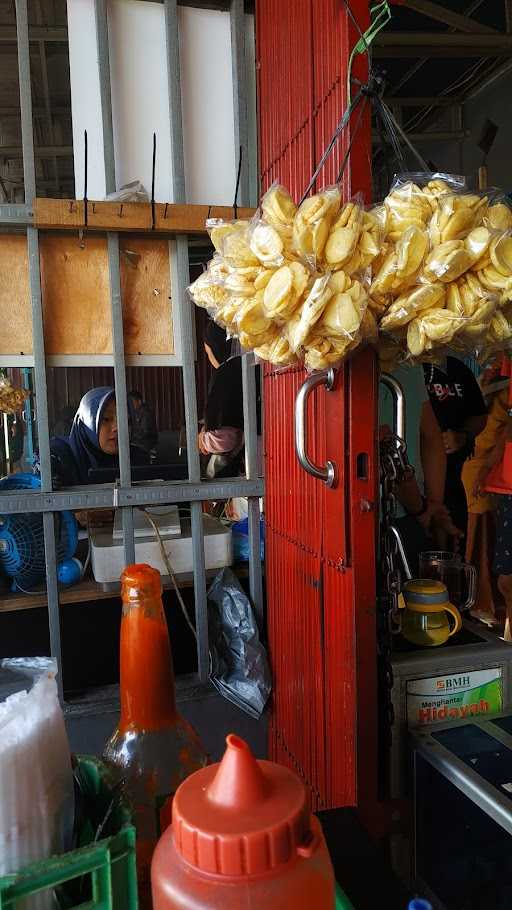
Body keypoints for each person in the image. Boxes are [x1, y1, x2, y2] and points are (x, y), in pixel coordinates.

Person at [380, 363, 460, 576]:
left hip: (402, 514)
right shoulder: (404, 361)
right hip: (397, 513)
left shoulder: (407, 364)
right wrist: (427, 508)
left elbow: (429, 437)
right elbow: (429, 437)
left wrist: (430, 508)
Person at [424, 355, 487, 545]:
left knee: (453, 548)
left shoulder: (457, 369)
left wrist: (463, 436)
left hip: (453, 480)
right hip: (416, 482)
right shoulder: (406, 367)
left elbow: (480, 416)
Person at [43, 387, 149, 486]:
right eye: (106, 419)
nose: (117, 428)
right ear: (86, 423)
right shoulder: (60, 458)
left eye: (126, 420)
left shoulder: (137, 459)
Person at [199, 322, 261, 479]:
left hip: (262, 449)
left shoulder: (225, 373)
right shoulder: (250, 360)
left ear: (217, 349)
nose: (209, 358)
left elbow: (225, 439)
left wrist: (203, 440)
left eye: (208, 353)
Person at [128, 390, 158, 457]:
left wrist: (129, 437)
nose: (130, 405)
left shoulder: (146, 413)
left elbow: (145, 432)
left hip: (145, 443)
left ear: (139, 402)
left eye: (132, 402)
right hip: (138, 442)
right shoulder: (135, 413)